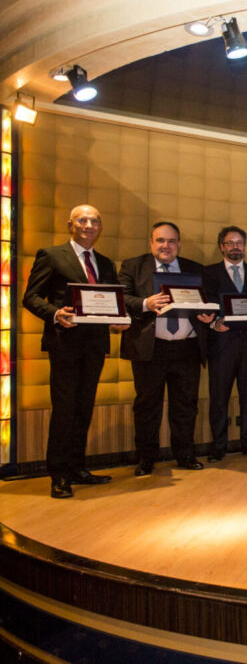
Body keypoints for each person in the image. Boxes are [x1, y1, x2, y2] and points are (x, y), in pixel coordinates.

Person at [22, 205, 124, 498]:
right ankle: (58, 475)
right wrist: (55, 314)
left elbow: (111, 301)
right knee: (64, 410)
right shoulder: (51, 255)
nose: (89, 225)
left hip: (95, 346)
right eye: (82, 220)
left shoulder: (105, 263)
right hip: (64, 344)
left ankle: (78, 468)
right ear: (70, 225)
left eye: (95, 220)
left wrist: (118, 320)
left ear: (100, 227)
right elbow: (30, 297)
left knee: (84, 408)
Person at [119, 221, 215, 476]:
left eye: (171, 241)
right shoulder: (133, 266)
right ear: (151, 243)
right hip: (150, 349)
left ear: (179, 244)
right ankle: (145, 459)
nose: (166, 245)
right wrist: (145, 303)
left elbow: (209, 300)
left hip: (187, 348)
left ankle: (185, 455)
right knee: (147, 406)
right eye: (160, 240)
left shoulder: (195, 269)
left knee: (186, 406)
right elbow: (121, 298)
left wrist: (208, 315)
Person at [203, 226, 247, 462]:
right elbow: (205, 305)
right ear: (221, 246)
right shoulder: (209, 274)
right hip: (222, 345)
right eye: (230, 243)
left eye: (239, 243)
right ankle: (218, 446)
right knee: (219, 398)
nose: (235, 247)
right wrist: (214, 322)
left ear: (245, 246)